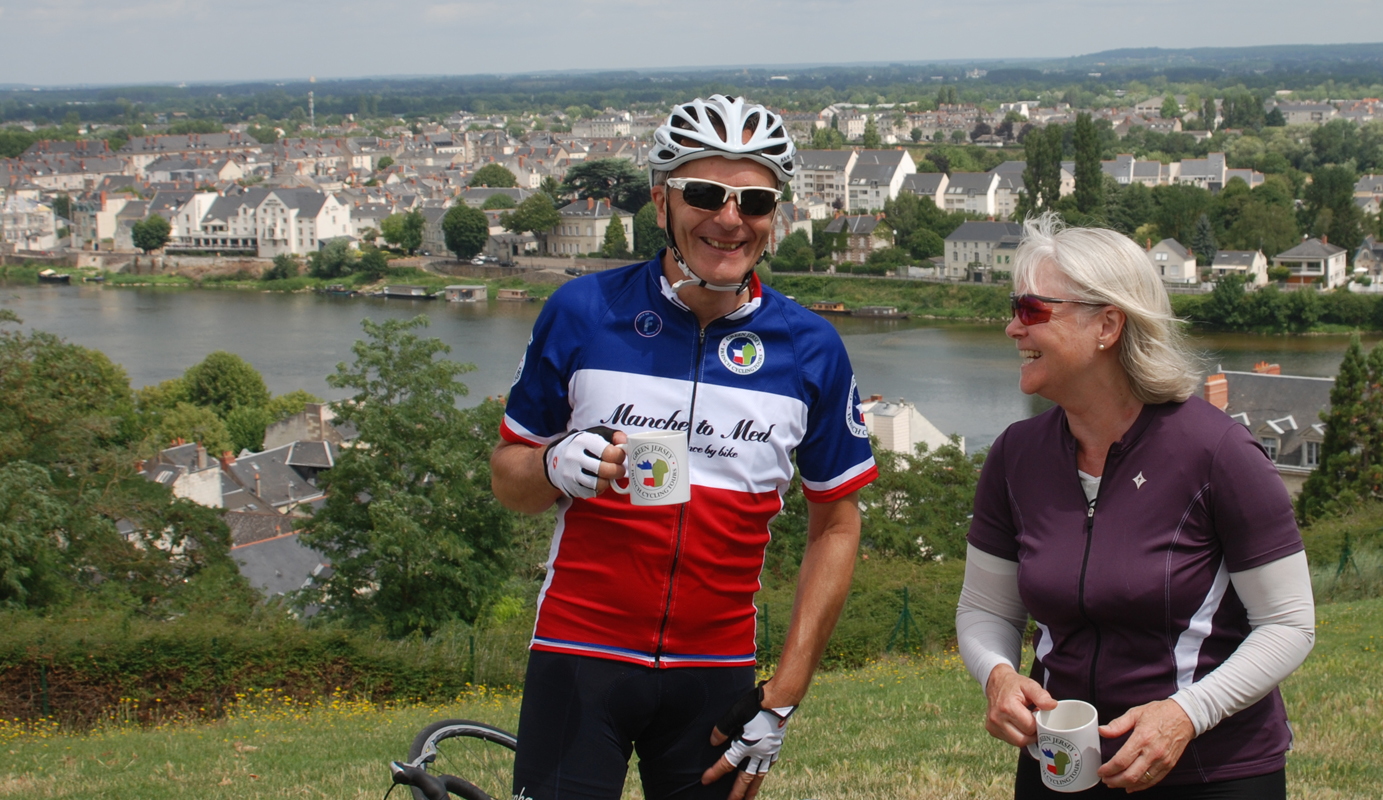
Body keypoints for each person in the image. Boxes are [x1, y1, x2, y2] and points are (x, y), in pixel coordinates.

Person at [490, 94, 877, 800]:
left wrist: (785, 693)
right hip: (580, 653)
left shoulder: (811, 348)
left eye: (754, 202)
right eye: (703, 194)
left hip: (715, 673)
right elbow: (508, 479)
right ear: (661, 201)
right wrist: (552, 465)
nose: (730, 220)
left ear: (775, 215)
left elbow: (837, 525)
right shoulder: (582, 312)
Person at [956, 215, 1316, 798]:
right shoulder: (1015, 456)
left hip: (1210, 770)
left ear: (1108, 324)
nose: (1011, 327)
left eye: (1031, 309)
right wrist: (997, 674)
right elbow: (984, 609)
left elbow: (1289, 624)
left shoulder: (1218, 453)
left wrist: (1186, 714)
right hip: (1062, 767)